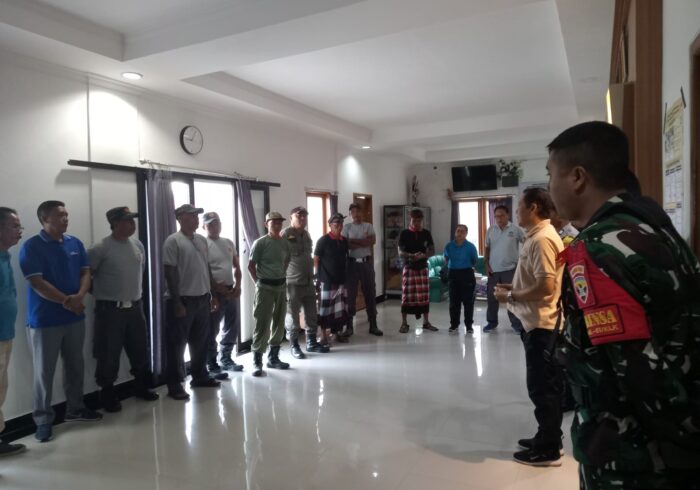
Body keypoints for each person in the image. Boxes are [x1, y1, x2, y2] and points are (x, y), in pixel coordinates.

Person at [547, 121, 700, 488]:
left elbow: (637, 372)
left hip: (634, 457)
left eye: (551, 174)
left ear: (577, 177)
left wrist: (684, 443)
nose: (549, 187)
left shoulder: (600, 249)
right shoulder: (652, 225)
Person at [19, 201, 102, 443]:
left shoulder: (75, 243)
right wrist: (68, 300)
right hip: (45, 320)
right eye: (60, 215)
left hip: (74, 317)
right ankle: (43, 420)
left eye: (66, 214)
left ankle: (75, 409)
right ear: (45, 218)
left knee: (76, 365)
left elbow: (85, 273)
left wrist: (79, 296)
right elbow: (37, 283)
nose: (66, 218)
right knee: (44, 372)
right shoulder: (31, 246)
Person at [494, 188, 564, 466]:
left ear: (533, 208)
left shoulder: (543, 239)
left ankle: (548, 449)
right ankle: (548, 437)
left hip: (541, 324)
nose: (516, 212)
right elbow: (537, 279)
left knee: (542, 388)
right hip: (536, 321)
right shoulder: (537, 236)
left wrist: (511, 296)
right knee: (543, 386)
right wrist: (514, 286)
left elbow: (546, 287)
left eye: (519, 207)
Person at [88, 207, 159, 413]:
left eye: (132, 220)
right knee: (108, 353)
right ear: (115, 223)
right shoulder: (100, 248)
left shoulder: (137, 245)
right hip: (110, 311)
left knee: (140, 349)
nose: (132, 224)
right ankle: (108, 393)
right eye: (127, 221)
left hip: (135, 307)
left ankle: (140, 386)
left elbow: (139, 272)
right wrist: (104, 295)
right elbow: (85, 277)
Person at [163, 204, 223, 401]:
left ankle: (199, 376)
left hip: (202, 299)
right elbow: (170, 272)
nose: (196, 219)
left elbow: (206, 268)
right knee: (177, 345)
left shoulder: (201, 240)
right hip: (183, 301)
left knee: (200, 342)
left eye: (197, 216)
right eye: (192, 216)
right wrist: (177, 302)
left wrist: (213, 295)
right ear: (180, 218)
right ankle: (174, 384)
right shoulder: (173, 241)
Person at [248, 211, 291, 377]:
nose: (277, 225)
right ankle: (257, 360)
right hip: (264, 288)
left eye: (279, 222)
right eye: (274, 222)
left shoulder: (285, 243)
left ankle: (273, 358)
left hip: (281, 287)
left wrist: (280, 273)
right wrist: (258, 283)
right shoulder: (260, 243)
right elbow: (251, 266)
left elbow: (286, 260)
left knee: (279, 322)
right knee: (262, 323)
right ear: (266, 224)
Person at [283, 206, 328, 358]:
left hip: (308, 281)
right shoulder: (286, 234)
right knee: (292, 315)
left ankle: (311, 343)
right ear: (291, 218)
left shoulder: (306, 235)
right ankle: (294, 345)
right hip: (292, 282)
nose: (302, 218)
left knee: (311, 313)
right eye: (299, 216)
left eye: (304, 216)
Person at [202, 211, 244, 373]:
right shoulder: (203, 244)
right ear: (204, 227)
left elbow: (236, 266)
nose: (214, 227)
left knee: (232, 325)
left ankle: (225, 358)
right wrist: (215, 290)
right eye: (210, 224)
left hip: (230, 290)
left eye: (217, 223)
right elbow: (203, 272)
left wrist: (238, 286)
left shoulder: (228, 242)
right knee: (212, 329)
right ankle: (211, 363)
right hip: (213, 293)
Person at [0, 207, 26, 456]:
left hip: (5, 334)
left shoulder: (5, 256)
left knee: (0, 390)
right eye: (15, 226)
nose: (20, 231)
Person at [342, 203, 383, 337]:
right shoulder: (346, 227)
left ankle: (373, 324)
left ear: (362, 212)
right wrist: (362, 241)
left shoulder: (368, 226)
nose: (356, 214)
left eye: (358, 211)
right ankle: (349, 326)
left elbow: (371, 241)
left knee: (370, 293)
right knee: (350, 296)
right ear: (350, 214)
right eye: (353, 212)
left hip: (366, 264)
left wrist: (354, 241)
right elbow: (346, 244)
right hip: (351, 265)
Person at [484, 205, 525, 333]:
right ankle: (491, 323)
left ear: (508, 215)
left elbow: (527, 242)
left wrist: (523, 261)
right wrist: (486, 265)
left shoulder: (515, 229)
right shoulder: (491, 230)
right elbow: (487, 248)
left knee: (511, 297)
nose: (499, 218)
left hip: (510, 270)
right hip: (493, 270)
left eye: (502, 215)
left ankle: (516, 325)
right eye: (496, 216)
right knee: (492, 298)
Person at [397, 208, 437, 333]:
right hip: (409, 268)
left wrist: (423, 255)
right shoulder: (404, 233)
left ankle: (426, 322)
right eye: (414, 221)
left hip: (422, 268)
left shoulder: (426, 233)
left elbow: (432, 250)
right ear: (410, 219)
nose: (417, 223)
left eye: (419, 221)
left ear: (422, 220)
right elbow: (400, 252)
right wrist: (410, 255)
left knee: (424, 296)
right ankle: (404, 323)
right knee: (406, 296)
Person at [314, 213, 350, 343]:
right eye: (336, 223)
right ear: (330, 225)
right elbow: (316, 259)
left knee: (339, 309)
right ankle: (323, 335)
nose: (339, 226)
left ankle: (337, 333)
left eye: (341, 223)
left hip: (341, 279)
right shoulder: (323, 240)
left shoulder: (344, 240)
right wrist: (318, 277)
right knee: (325, 308)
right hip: (327, 280)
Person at [443, 224, 478, 334]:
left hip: (467, 274)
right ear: (455, 232)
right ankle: (454, 325)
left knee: (468, 302)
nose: (460, 233)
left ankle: (469, 326)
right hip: (453, 274)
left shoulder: (471, 247)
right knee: (454, 302)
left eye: (462, 231)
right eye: (458, 231)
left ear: (466, 234)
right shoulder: (449, 246)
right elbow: (446, 258)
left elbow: (474, 260)